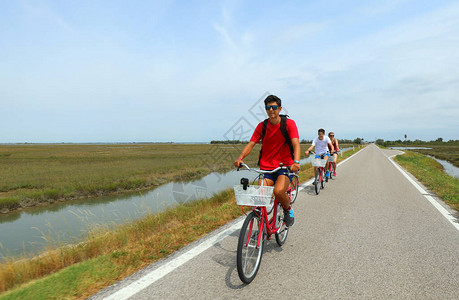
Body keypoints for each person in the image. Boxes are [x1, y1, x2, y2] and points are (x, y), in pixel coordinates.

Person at [234, 95, 301, 227]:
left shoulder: (289, 124)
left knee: (278, 191)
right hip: (266, 168)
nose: (271, 110)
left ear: (280, 108)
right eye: (268, 107)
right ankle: (261, 231)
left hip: (284, 167)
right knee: (261, 197)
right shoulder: (262, 126)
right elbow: (251, 144)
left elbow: (296, 144)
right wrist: (240, 158)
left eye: (274, 107)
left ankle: (288, 209)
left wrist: (296, 162)